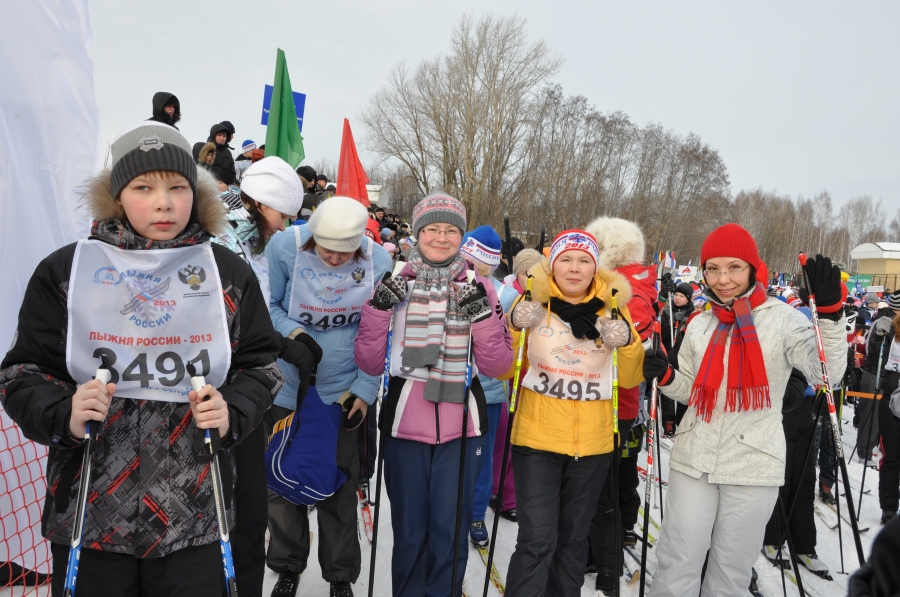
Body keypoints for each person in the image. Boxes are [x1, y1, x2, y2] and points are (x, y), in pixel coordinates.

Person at [0, 122, 283, 597]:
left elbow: (262, 365)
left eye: (177, 187)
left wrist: (232, 408)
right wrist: (62, 413)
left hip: (193, 515)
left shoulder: (225, 272)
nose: (163, 202)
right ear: (117, 194)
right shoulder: (67, 270)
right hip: (90, 512)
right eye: (143, 187)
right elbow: (22, 373)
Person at [642, 223, 847, 597]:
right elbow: (691, 389)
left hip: (754, 464)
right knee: (676, 560)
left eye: (734, 267)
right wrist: (668, 375)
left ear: (753, 267)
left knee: (730, 572)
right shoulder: (701, 323)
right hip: (694, 459)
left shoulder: (782, 319)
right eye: (713, 268)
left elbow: (827, 372)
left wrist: (831, 316)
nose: (723, 279)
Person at [354, 194, 513, 597]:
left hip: (462, 418)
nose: (441, 238)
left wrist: (480, 316)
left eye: (450, 230)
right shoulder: (396, 281)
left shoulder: (479, 285)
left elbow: (499, 366)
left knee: (450, 529)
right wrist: (378, 309)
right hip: (406, 414)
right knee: (410, 531)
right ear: (417, 233)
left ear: (461, 236)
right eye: (432, 229)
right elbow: (371, 363)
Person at [502, 230, 643, 597]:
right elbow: (502, 368)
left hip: (592, 446)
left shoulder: (613, 307)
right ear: (553, 264)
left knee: (573, 541)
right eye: (566, 259)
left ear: (595, 266)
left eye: (584, 260)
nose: (575, 268)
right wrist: (515, 325)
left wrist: (626, 342)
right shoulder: (532, 300)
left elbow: (630, 378)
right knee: (537, 540)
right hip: (536, 441)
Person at [266, 196, 392, 597]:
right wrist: (294, 335)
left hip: (343, 391)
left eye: (345, 253)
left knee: (338, 485)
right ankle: (287, 565)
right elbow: (267, 306)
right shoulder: (285, 247)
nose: (335, 260)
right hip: (289, 387)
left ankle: (340, 576)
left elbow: (377, 334)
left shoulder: (379, 263)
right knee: (281, 483)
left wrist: (366, 389)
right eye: (326, 251)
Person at [212, 156, 306, 597]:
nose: (286, 225)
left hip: (248, 393)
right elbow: (231, 315)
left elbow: (265, 306)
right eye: (283, 214)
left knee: (250, 513)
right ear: (260, 204)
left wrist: (288, 341)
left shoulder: (260, 243)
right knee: (224, 513)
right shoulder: (220, 241)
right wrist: (282, 345)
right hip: (212, 395)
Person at [457, 226, 518, 547]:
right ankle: (452, 509)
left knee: (482, 458)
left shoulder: (506, 294)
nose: (471, 267)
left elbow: (512, 344)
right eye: (468, 259)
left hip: (489, 393)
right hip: (450, 387)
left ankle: (477, 513)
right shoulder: (449, 283)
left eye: (478, 263)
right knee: (452, 456)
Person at [761, 369, 831, 579]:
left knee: (806, 478)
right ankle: (772, 538)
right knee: (783, 475)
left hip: (807, 405)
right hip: (785, 402)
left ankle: (803, 545)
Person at [873, 292, 900, 525]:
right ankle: (889, 508)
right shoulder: (887, 328)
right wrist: (877, 337)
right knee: (891, 457)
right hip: (891, 399)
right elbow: (873, 362)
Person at [659, 282, 695, 436]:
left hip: (683, 359)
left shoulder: (692, 314)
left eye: (681, 296)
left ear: (688, 299)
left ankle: (682, 422)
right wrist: (667, 322)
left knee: (683, 390)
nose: (677, 298)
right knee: (668, 391)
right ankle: (668, 423)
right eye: (676, 295)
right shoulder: (667, 311)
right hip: (668, 353)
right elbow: (661, 334)